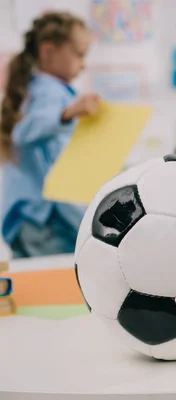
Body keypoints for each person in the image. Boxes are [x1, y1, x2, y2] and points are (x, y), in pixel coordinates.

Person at [0, 12, 100, 258]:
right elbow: (23, 132)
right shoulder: (49, 91)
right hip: (42, 216)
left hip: (31, 215)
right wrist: (66, 114)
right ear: (48, 52)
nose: (83, 63)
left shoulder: (38, 88)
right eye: (78, 54)